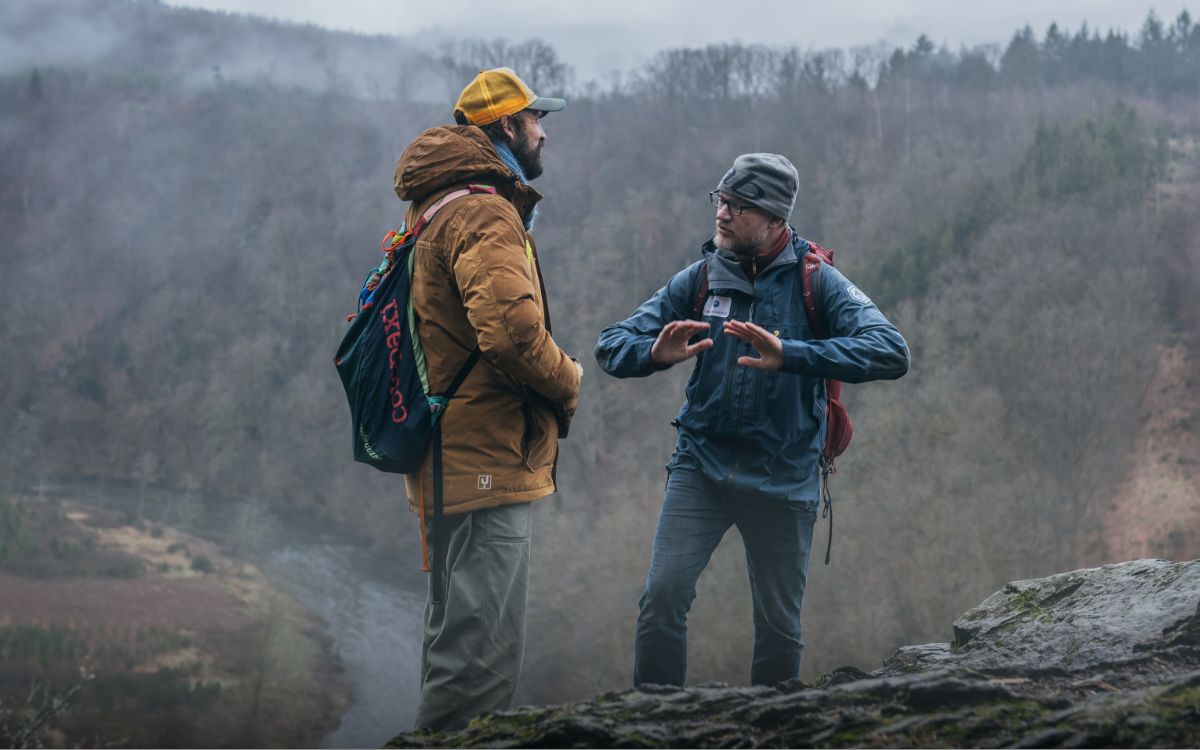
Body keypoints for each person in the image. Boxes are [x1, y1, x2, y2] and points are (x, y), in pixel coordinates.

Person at [594, 153, 909, 687]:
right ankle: (654, 724)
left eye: (738, 206)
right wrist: (654, 355)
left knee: (780, 628)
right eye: (721, 200)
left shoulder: (819, 282)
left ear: (775, 220)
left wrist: (793, 354)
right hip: (702, 468)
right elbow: (611, 344)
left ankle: (770, 731)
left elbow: (890, 351)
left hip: (785, 479)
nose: (722, 214)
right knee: (662, 599)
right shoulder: (699, 278)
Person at [394, 67, 582, 731]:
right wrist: (569, 381)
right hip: (483, 463)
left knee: (457, 640)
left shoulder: (438, 203)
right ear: (506, 125)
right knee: (480, 658)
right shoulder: (482, 210)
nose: (544, 136)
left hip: (455, 456)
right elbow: (511, 333)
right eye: (538, 120)